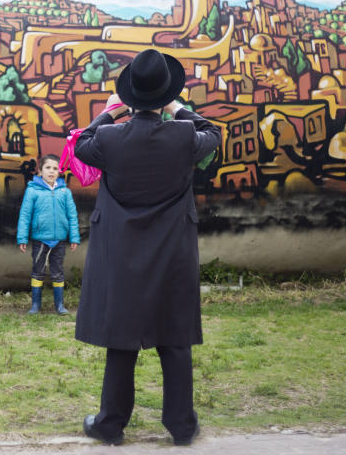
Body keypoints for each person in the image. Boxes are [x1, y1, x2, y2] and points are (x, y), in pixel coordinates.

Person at [73, 48, 221, 446]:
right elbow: (215, 133)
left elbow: (80, 143)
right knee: (174, 338)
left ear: (130, 97)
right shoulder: (184, 136)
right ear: (165, 97)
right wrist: (179, 108)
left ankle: (110, 423)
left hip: (121, 254)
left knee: (122, 339)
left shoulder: (109, 139)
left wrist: (110, 111)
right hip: (173, 253)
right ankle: (181, 426)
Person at [16, 154, 81, 315]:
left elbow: (72, 216)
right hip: (40, 239)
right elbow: (25, 215)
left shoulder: (65, 192)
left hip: (59, 240)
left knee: (58, 272)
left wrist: (74, 237)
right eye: (47, 168)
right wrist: (22, 237)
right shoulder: (32, 191)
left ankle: (59, 305)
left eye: (55, 168)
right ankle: (35, 305)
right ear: (40, 171)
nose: (51, 171)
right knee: (38, 271)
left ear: (59, 171)